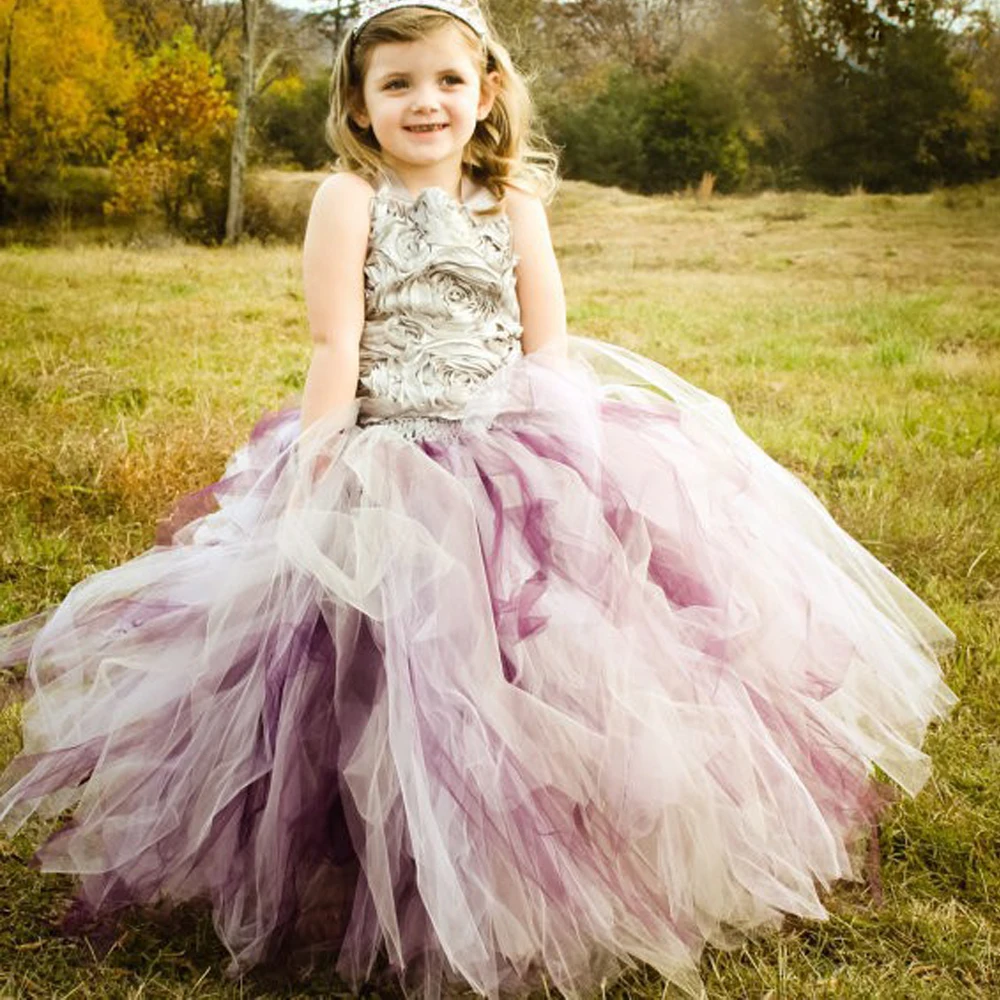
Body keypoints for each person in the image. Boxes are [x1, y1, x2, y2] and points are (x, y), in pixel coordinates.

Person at [0, 1, 956, 997]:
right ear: (359, 106)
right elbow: (334, 343)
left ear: (486, 91)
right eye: (398, 84)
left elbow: (548, 345)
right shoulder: (349, 199)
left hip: (505, 446)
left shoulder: (513, 203)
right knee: (367, 664)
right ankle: (371, 861)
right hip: (386, 450)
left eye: (448, 80)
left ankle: (541, 866)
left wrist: (577, 466)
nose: (426, 102)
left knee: (527, 665)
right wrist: (319, 467)